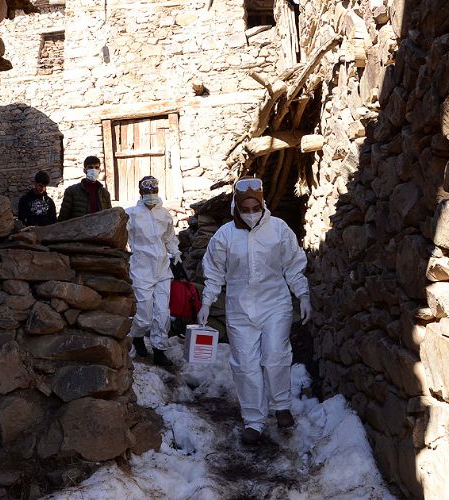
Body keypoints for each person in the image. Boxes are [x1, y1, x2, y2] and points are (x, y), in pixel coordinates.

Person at [197, 177, 312, 445]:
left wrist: (303, 295)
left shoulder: (278, 230)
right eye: (245, 209)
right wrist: (206, 301)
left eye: (255, 208)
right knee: (245, 364)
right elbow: (214, 272)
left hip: (275, 303)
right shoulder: (224, 235)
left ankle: (281, 405)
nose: (251, 214)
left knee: (275, 355)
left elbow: (293, 265)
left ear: (263, 204)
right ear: (236, 208)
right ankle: (253, 420)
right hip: (239, 308)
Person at [126, 176, 180, 366]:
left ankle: (159, 349)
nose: (151, 195)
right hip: (141, 269)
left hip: (162, 269)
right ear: (141, 193)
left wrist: (176, 253)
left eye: (153, 191)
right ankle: (137, 337)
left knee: (162, 313)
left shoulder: (164, 214)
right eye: (147, 192)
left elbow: (170, 238)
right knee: (143, 313)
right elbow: (120, 237)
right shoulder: (131, 215)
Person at [58, 156, 112, 221]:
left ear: (99, 170)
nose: (94, 170)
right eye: (90, 167)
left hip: (99, 229)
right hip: (78, 230)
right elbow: (63, 218)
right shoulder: (71, 191)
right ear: (84, 170)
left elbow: (109, 216)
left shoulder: (105, 194)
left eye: (96, 167)